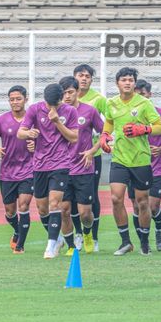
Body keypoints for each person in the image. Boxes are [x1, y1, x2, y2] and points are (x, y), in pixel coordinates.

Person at [99, 67, 161, 256]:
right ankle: (125, 242)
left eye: (130, 80)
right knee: (115, 198)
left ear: (135, 83)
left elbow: (159, 127)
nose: (127, 82)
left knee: (142, 202)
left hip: (140, 160)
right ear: (117, 83)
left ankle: (144, 242)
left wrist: (143, 129)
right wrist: (104, 135)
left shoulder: (144, 103)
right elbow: (110, 121)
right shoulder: (111, 103)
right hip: (119, 158)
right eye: (124, 80)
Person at [17, 83, 78, 259]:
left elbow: (74, 137)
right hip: (39, 165)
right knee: (42, 208)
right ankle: (58, 239)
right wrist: (29, 134)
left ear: (61, 99)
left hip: (60, 163)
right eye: (49, 104)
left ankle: (50, 246)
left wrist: (57, 121)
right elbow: (20, 132)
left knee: (55, 203)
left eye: (56, 104)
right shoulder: (35, 109)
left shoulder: (69, 111)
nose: (52, 107)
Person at [127, 80, 161, 252]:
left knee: (152, 206)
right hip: (134, 167)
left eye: (143, 94)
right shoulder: (128, 116)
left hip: (155, 168)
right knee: (136, 206)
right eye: (136, 94)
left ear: (149, 95)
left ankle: (159, 228)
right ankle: (143, 241)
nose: (140, 97)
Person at [59, 76, 104, 255]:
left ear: (78, 92)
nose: (67, 96)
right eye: (63, 94)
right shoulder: (56, 113)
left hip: (84, 168)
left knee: (85, 213)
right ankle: (71, 245)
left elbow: (104, 133)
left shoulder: (89, 111)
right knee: (64, 209)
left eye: (70, 92)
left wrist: (92, 151)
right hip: (61, 168)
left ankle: (86, 233)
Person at [0, 85, 35, 254]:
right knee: (10, 212)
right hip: (7, 172)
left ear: (26, 99)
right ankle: (17, 230)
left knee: (24, 206)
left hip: (29, 170)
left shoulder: (33, 119)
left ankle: (20, 245)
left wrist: (35, 146)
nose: (15, 102)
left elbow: (45, 141)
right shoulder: (1, 120)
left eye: (18, 99)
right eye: (12, 99)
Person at [75, 64, 106, 251]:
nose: (84, 78)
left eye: (88, 76)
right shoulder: (66, 97)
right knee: (70, 198)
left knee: (91, 195)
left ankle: (93, 236)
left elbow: (108, 124)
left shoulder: (98, 99)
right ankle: (77, 234)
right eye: (81, 75)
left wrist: (98, 143)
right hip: (68, 157)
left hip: (93, 155)